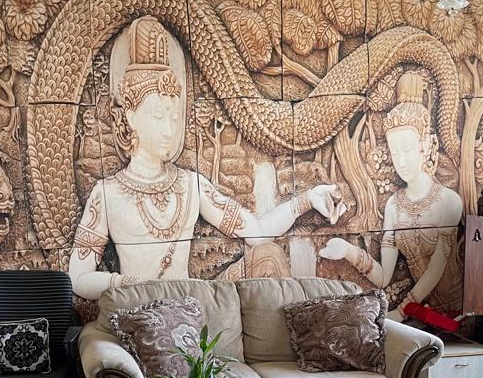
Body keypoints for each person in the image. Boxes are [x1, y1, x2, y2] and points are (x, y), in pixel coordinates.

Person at [69, 16, 340, 299]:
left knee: (267, 254)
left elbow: (257, 232)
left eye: (174, 117)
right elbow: (78, 278)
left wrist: (307, 200)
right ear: (130, 117)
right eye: (158, 116)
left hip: (191, 305)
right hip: (142, 311)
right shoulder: (107, 194)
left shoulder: (189, 185)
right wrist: (129, 284)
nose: (169, 129)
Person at [318, 72, 462, 317]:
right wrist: (348, 251)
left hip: (455, 313)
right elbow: (384, 277)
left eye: (407, 150)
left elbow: (437, 268)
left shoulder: (449, 201)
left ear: (424, 146)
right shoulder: (395, 205)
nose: (401, 161)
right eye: (395, 152)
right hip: (421, 314)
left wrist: (403, 311)